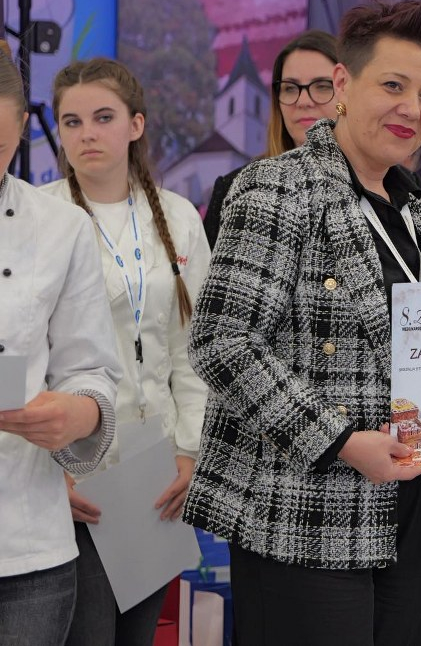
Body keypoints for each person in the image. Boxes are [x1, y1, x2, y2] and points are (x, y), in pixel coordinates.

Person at [182, 0, 421, 646]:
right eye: (393, 85)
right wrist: (341, 440)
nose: (412, 109)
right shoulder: (277, 187)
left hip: (412, 511)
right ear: (343, 84)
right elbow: (221, 342)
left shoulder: (414, 211)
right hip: (307, 511)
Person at [38, 57, 211, 646]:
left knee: (138, 635)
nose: (87, 133)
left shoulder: (178, 217)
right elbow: (22, 359)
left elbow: (193, 350)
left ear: (136, 125)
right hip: (72, 471)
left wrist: (188, 452)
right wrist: (46, 473)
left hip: (155, 471)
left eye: (103, 117)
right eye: (72, 121)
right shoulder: (39, 217)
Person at [0, 43, 120, 646]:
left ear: (22, 126)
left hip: (28, 549)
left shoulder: (61, 228)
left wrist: (78, 412)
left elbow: (91, 367)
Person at [203, 29, 340, 247]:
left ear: (349, 94)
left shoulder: (381, 188)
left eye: (322, 86)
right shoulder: (234, 188)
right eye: (290, 88)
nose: (303, 101)